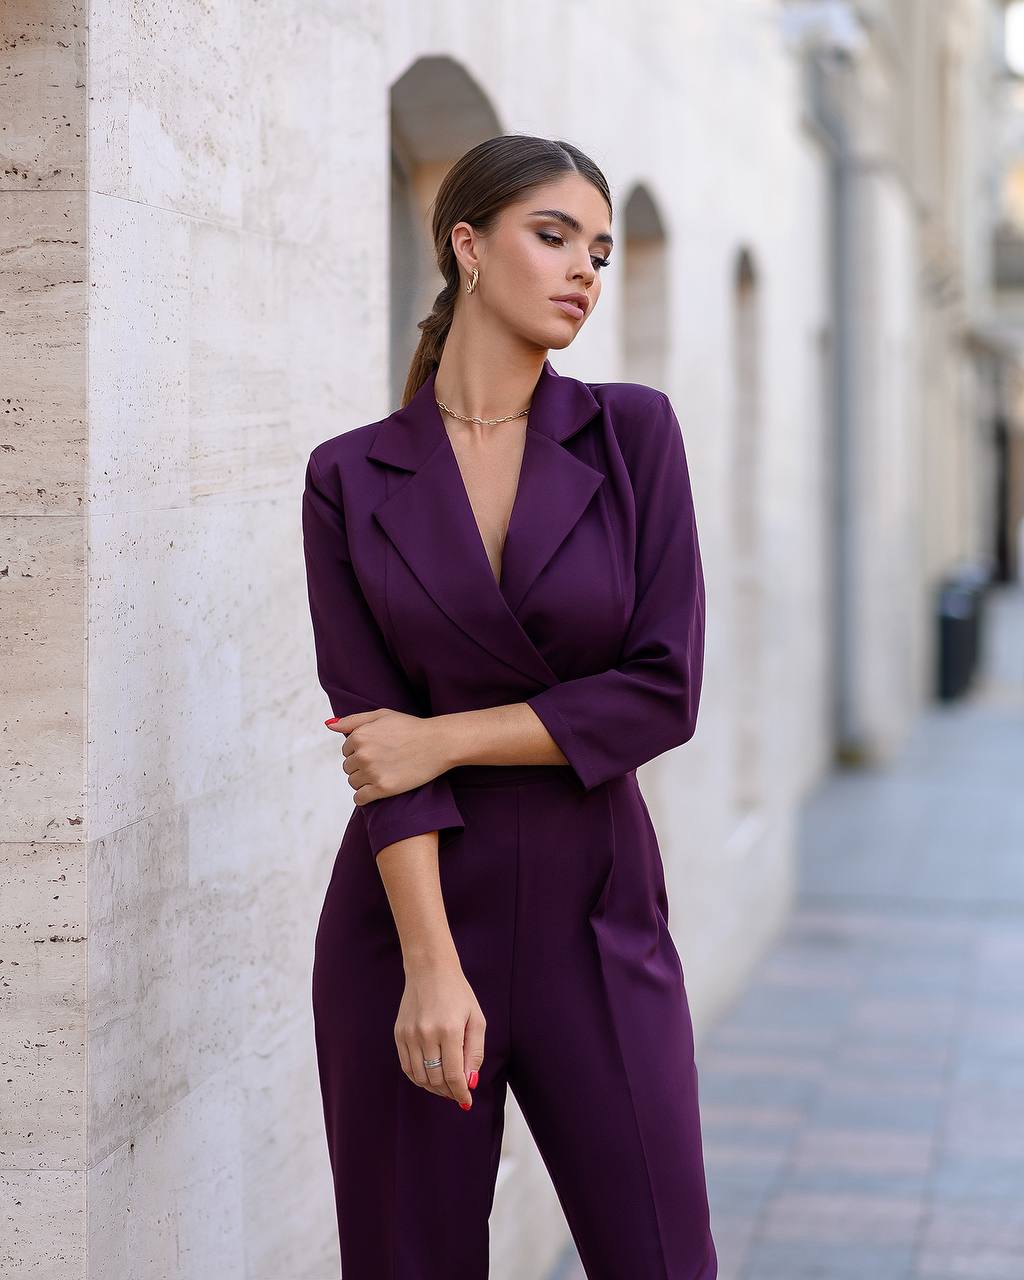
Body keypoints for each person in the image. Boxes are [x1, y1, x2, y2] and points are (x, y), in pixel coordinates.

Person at [301, 133, 718, 1280]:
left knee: (662, 1259)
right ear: (467, 246)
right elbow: (370, 733)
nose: (584, 267)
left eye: (598, 247)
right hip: (414, 914)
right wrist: (430, 968)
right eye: (553, 237)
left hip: (599, 908)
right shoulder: (350, 475)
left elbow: (662, 690)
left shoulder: (633, 434)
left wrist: (446, 733)